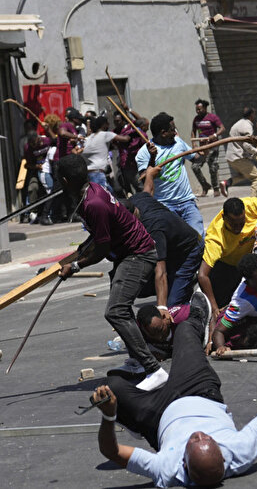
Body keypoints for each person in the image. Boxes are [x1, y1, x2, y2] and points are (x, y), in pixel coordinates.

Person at [91, 293, 257, 487]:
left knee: (110, 387)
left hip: (158, 415)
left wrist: (108, 416)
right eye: (207, 438)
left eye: (194, 440)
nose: (199, 433)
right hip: (199, 390)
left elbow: (111, 451)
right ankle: (198, 317)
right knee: (185, 329)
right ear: (222, 454)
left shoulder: (167, 468)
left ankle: (134, 405)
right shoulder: (240, 451)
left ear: (184, 464)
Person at [56, 154, 166, 391]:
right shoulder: (92, 190)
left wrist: (76, 266)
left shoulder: (93, 203)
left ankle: (154, 370)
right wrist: (83, 249)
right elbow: (99, 235)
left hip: (138, 254)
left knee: (115, 312)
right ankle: (137, 362)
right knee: (122, 309)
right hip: (127, 253)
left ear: (65, 181)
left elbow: (102, 247)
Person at [125, 165, 205, 307]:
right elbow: (148, 190)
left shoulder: (152, 229)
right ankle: (182, 283)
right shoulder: (136, 200)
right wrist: (149, 175)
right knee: (141, 286)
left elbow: (160, 271)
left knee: (173, 305)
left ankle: (197, 305)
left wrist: (162, 308)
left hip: (190, 250)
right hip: (172, 248)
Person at [196, 196, 257, 316]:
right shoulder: (216, 238)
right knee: (227, 306)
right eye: (233, 224)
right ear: (224, 218)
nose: (238, 228)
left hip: (247, 262)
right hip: (225, 268)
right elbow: (202, 275)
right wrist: (214, 307)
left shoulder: (250, 205)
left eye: (241, 223)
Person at [135, 112, 205, 236]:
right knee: (175, 239)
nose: (175, 133)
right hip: (164, 205)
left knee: (198, 236)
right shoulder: (144, 153)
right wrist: (152, 158)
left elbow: (196, 158)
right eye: (173, 130)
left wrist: (203, 153)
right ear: (163, 133)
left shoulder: (178, 143)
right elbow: (145, 180)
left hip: (187, 202)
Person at [221, 107, 257, 197]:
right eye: (254, 114)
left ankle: (226, 183)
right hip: (238, 157)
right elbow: (246, 145)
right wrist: (256, 151)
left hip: (231, 157)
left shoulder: (239, 123)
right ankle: (253, 201)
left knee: (245, 175)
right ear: (251, 115)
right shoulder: (247, 126)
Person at [190, 99, 225, 197]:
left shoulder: (212, 117)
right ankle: (205, 185)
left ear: (205, 108)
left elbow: (222, 128)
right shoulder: (196, 119)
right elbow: (193, 131)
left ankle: (216, 188)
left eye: (200, 109)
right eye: (196, 109)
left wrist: (214, 135)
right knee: (195, 167)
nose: (198, 111)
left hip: (212, 146)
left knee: (213, 168)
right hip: (202, 148)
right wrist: (194, 144)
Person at [78, 115, 117, 194]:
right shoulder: (99, 137)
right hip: (97, 173)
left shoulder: (90, 139)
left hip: (96, 172)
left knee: (109, 193)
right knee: (104, 195)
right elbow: (125, 139)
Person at [115, 117, 148, 197]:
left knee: (132, 189)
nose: (147, 129)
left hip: (125, 165)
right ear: (143, 126)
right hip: (133, 166)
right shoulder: (141, 135)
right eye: (147, 126)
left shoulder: (125, 132)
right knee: (141, 188)